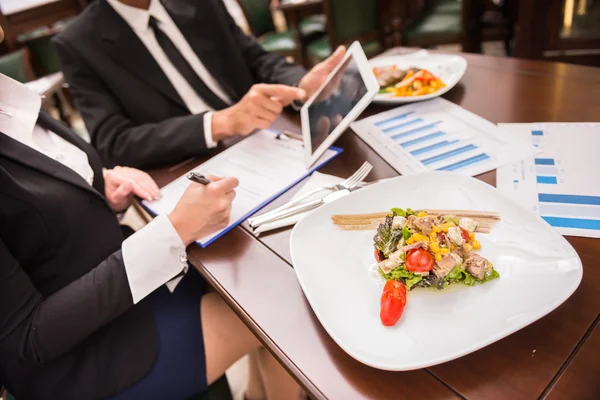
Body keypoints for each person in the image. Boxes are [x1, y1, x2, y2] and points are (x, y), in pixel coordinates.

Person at [0, 25, 303, 400]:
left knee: (264, 276)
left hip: (120, 289)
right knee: (284, 315)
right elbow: (26, 337)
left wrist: (97, 188)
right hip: (84, 359)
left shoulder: (11, 99)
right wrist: (171, 232)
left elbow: (30, 214)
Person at [53, 0, 346, 169]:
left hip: (269, 142)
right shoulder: (79, 43)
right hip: (190, 167)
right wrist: (218, 123)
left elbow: (255, 59)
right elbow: (112, 143)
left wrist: (301, 85)